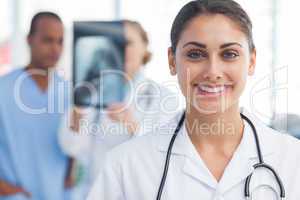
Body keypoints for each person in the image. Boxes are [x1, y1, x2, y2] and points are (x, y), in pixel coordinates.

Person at [87, 0, 300, 199]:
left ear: (252, 61)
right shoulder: (125, 165)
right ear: (172, 61)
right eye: (196, 54)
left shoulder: (291, 159)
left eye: (230, 54)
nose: (212, 72)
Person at [59, 20, 178, 197]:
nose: (121, 49)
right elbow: (72, 148)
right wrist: (78, 115)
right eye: (116, 43)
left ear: (144, 47)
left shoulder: (163, 97)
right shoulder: (91, 92)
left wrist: (133, 126)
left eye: (128, 43)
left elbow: (165, 154)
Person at [0, 12, 72, 200]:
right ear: (29, 40)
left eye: (60, 41)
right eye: (47, 40)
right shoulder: (4, 88)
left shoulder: (69, 93)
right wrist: (5, 189)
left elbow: (77, 146)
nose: (55, 49)